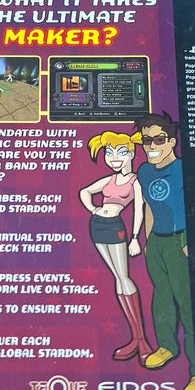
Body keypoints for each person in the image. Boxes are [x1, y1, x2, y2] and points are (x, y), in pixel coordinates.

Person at [134, 111, 195, 390]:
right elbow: (149, 206)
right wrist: (148, 241)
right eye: (146, 140)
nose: (151, 146)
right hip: (157, 242)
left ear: (171, 141)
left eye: (158, 139)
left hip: (180, 240)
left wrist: (189, 241)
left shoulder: (184, 170)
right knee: (161, 297)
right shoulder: (144, 172)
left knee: (187, 303)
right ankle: (167, 347)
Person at [79, 131, 154, 365]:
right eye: (109, 153)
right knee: (117, 278)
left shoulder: (135, 181)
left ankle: (141, 340)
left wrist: (135, 238)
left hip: (115, 227)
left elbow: (139, 210)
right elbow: (84, 191)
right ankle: (135, 339)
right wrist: (93, 209)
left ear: (131, 153)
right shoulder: (109, 180)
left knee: (124, 277)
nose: (114, 158)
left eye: (120, 152)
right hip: (97, 226)